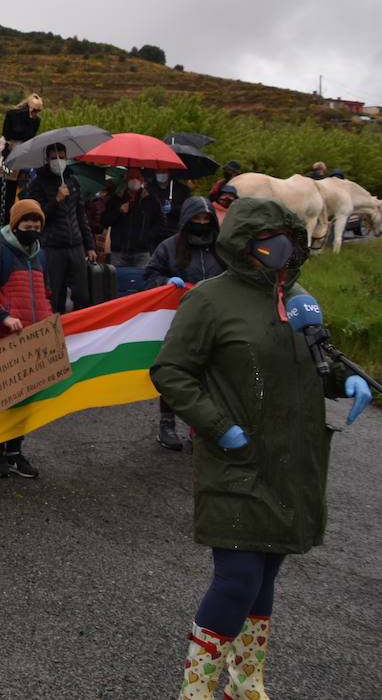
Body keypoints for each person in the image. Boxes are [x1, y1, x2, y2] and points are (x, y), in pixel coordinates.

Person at [151, 197, 370, 700]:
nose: (286, 245)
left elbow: (319, 356)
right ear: (248, 242)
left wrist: (347, 379)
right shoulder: (209, 299)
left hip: (292, 460)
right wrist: (218, 426)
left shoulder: (298, 298)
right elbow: (171, 371)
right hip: (237, 461)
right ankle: (196, 690)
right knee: (237, 577)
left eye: (291, 236)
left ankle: (246, 682)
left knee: (264, 573)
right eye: (275, 235)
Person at [143, 197, 226, 452]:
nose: (201, 224)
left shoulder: (223, 248)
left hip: (215, 321)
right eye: (196, 220)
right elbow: (150, 276)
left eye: (206, 220)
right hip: (178, 321)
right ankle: (167, 424)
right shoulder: (169, 247)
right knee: (175, 373)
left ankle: (200, 425)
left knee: (209, 375)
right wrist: (165, 282)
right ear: (186, 221)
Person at [0, 199, 47, 478]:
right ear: (15, 227)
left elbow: (45, 293)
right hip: (3, 335)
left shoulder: (40, 257)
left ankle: (15, 452)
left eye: (37, 226)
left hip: (32, 337)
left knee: (25, 399)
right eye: (27, 226)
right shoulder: (0, 254)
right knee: (3, 398)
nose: (33, 230)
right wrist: (4, 316)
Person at [24, 143, 96, 313]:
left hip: (75, 245)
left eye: (61, 157)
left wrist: (90, 245)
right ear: (47, 160)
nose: (58, 161)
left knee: (82, 294)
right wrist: (56, 200)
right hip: (52, 246)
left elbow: (81, 215)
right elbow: (37, 217)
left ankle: (82, 330)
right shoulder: (38, 183)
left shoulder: (73, 180)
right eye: (54, 158)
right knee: (55, 295)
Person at [101, 168, 163, 269]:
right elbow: (104, 221)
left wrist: (147, 237)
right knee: (118, 282)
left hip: (142, 253)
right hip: (119, 252)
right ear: (125, 180)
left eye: (137, 177)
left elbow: (160, 223)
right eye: (131, 177)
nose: (134, 180)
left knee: (141, 282)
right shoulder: (116, 199)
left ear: (142, 180)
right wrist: (119, 211)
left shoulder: (151, 200)